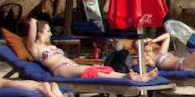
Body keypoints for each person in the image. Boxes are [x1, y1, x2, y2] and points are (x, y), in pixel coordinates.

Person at [28, 18, 160, 82]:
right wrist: (33, 22)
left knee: (102, 69)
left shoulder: (50, 45)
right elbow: (32, 29)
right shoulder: (36, 48)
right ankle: (130, 78)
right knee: (90, 71)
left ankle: (135, 76)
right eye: (48, 31)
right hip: (61, 69)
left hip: (71, 65)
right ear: (39, 33)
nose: (51, 34)